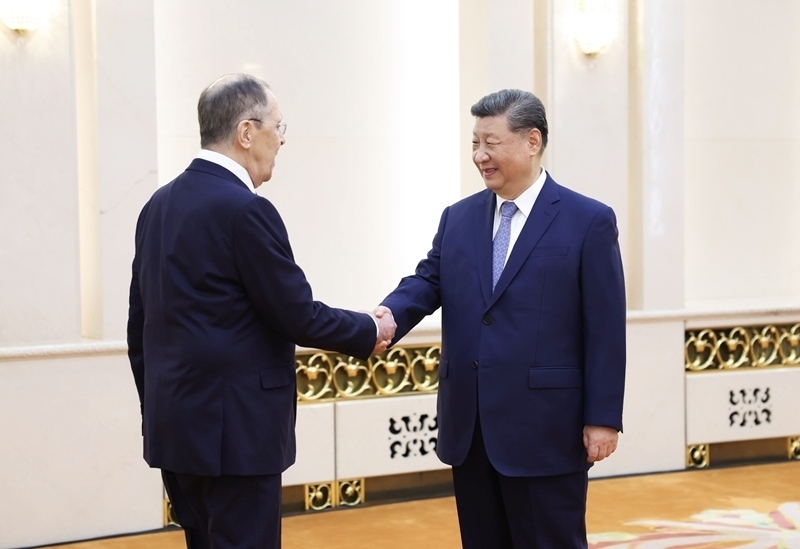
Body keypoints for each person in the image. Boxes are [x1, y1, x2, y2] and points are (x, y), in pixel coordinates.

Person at [127, 73, 395, 549]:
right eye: (278, 126)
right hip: (237, 438)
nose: (282, 139)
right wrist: (367, 329)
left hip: (176, 432)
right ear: (246, 132)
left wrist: (158, 411)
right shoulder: (246, 210)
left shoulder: (157, 206)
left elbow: (139, 327)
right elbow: (296, 314)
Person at [376, 89, 626, 548]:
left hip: (547, 431)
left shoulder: (587, 220)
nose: (479, 155)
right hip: (470, 430)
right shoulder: (458, 218)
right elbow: (428, 281)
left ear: (532, 141)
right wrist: (386, 316)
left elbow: (605, 328)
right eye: (474, 143)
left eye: (491, 143)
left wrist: (603, 418)